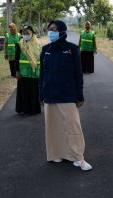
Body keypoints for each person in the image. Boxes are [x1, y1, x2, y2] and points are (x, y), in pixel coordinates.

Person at [39, 20, 92, 171]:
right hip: (49, 94)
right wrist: (41, 95)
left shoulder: (72, 49)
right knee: (53, 126)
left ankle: (78, 158)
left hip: (67, 94)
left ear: (62, 31)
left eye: (55, 29)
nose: (51, 32)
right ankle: (57, 154)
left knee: (72, 125)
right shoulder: (45, 49)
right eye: (50, 29)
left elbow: (78, 74)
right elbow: (42, 74)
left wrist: (79, 95)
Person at [14, 25, 41, 115]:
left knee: (34, 92)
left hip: (35, 72)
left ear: (32, 33)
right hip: (23, 73)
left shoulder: (38, 45)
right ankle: (24, 109)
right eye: (24, 33)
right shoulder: (19, 44)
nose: (25, 34)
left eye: (27, 33)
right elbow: (16, 59)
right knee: (24, 92)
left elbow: (41, 59)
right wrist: (17, 71)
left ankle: (34, 109)